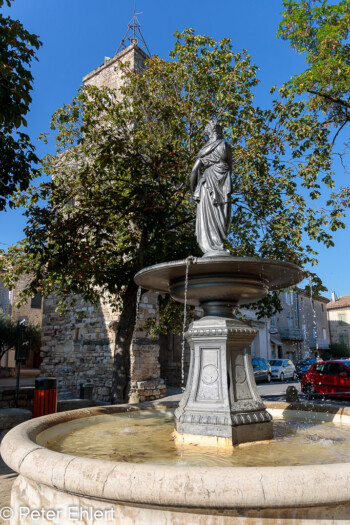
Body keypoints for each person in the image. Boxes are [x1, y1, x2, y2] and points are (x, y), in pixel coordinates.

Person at [190, 120, 233, 256]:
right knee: (222, 214)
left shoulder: (204, 150)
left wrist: (193, 192)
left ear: (208, 133)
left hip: (207, 184)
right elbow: (230, 167)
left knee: (208, 215)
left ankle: (211, 246)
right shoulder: (225, 146)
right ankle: (218, 244)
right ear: (219, 132)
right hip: (223, 182)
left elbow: (193, 172)